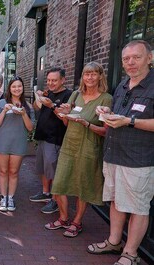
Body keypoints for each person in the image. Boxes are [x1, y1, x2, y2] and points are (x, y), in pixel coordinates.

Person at [88, 40, 154, 265]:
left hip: (139, 159)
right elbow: (120, 113)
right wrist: (108, 113)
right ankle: (114, 241)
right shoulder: (123, 85)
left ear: (150, 57)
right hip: (114, 154)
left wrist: (130, 121)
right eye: (126, 59)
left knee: (137, 207)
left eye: (136, 57)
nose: (130, 63)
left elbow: (132, 119)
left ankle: (131, 253)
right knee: (116, 201)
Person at [44, 62, 112, 238]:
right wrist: (64, 112)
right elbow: (66, 121)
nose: (89, 78)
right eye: (86, 74)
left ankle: (77, 222)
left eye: (93, 74)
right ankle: (64, 217)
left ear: (100, 76)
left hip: (89, 147)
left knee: (83, 186)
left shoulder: (106, 99)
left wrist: (87, 124)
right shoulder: (75, 94)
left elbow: (106, 131)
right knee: (58, 184)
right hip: (69, 145)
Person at [29, 67, 72, 214]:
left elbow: (65, 117)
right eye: (48, 80)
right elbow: (37, 108)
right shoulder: (49, 93)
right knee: (42, 167)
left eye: (54, 80)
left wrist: (51, 105)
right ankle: (45, 193)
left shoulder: (68, 95)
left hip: (55, 138)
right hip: (42, 136)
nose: (50, 83)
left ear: (62, 80)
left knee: (53, 170)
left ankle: (55, 199)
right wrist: (38, 98)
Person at [0, 76, 34, 212]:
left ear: (23, 88)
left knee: (14, 171)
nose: (17, 89)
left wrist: (23, 114)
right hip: (1, 142)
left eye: (19, 86)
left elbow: (30, 128)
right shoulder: (1, 104)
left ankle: (11, 197)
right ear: (9, 89)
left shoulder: (27, 106)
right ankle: (3, 197)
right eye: (14, 86)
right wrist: (5, 110)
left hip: (18, 143)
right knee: (3, 171)